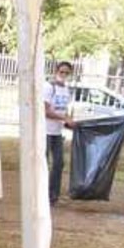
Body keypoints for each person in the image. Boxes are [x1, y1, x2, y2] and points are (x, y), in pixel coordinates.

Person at [44, 61, 76, 206]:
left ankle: (53, 195)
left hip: (57, 132)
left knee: (59, 163)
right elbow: (45, 110)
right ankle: (41, 194)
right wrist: (64, 118)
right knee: (44, 163)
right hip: (46, 130)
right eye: (61, 72)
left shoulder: (66, 90)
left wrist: (68, 122)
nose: (63, 75)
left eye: (66, 73)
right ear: (56, 71)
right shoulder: (48, 87)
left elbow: (64, 110)